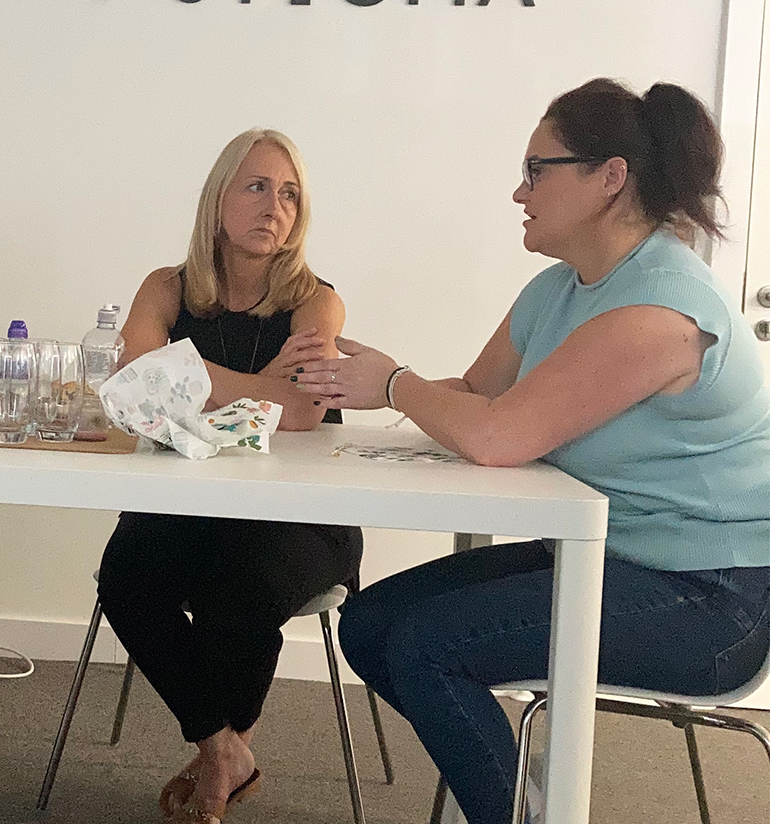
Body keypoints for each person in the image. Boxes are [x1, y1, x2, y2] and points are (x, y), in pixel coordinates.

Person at [295, 79, 770, 824]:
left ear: (609, 177)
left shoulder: (661, 309)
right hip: (606, 558)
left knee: (425, 646)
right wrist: (353, 383)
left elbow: (496, 435)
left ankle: (518, 812)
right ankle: (524, 797)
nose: (519, 192)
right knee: (373, 626)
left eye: (536, 170)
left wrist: (392, 382)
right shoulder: (557, 290)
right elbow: (478, 396)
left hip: (709, 598)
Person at [96, 128, 362, 824]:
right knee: (126, 576)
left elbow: (303, 411)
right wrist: (256, 384)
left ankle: (216, 771)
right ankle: (226, 751)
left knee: (237, 593)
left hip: (301, 518)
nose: (274, 206)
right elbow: (136, 381)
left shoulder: (316, 302)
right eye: (256, 186)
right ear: (218, 202)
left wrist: (184, 369)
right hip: (191, 505)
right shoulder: (166, 286)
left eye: (290, 194)